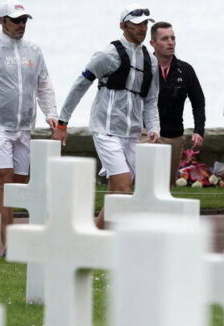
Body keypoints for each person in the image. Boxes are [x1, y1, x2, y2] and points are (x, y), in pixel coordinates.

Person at [53, 4, 160, 228]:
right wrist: (62, 123)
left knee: (117, 192)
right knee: (123, 188)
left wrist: (153, 127)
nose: (142, 29)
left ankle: (93, 239)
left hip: (132, 134)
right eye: (137, 25)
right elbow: (80, 85)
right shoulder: (108, 54)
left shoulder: (151, 61)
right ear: (123, 26)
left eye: (145, 25)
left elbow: (150, 100)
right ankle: (112, 243)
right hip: (106, 130)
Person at [0, 1, 58, 254]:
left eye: (24, 21)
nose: (21, 25)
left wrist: (51, 114)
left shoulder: (34, 50)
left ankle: (9, 234)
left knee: (19, 187)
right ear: (2, 21)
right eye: (16, 20)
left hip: (24, 128)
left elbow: (44, 84)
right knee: (5, 181)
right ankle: (10, 246)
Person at [148, 21, 205, 184]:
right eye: (165, 39)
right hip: (147, 133)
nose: (170, 42)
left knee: (166, 186)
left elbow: (198, 101)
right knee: (140, 182)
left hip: (174, 135)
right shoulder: (143, 67)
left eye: (173, 38)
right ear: (153, 43)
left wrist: (198, 130)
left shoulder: (185, 70)